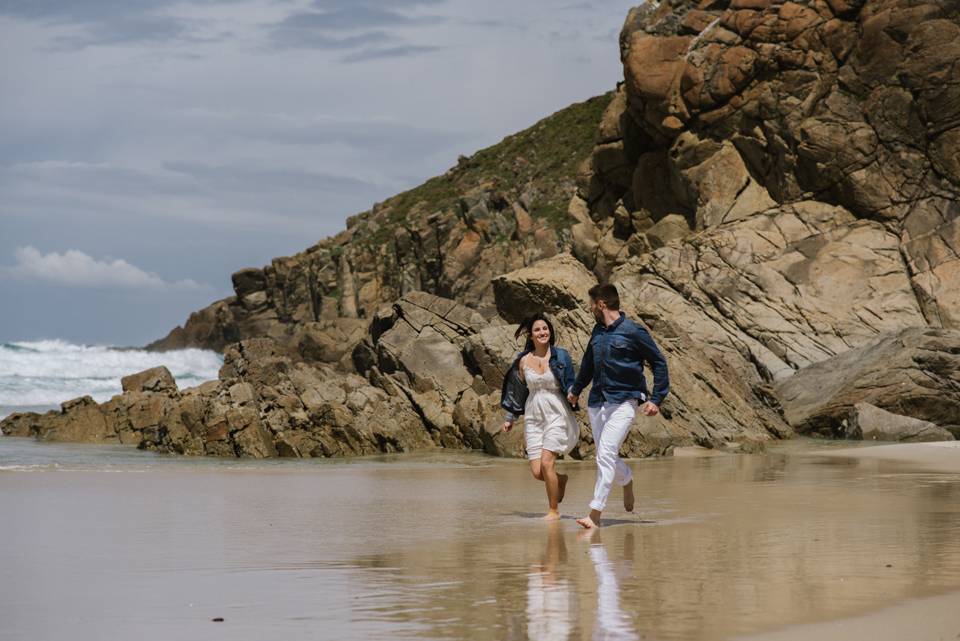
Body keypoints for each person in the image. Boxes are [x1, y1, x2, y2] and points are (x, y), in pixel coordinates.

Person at [566, 283, 669, 529]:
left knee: (605, 455)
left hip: (624, 402)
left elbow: (659, 363)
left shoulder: (634, 332)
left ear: (601, 304)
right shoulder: (597, 331)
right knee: (606, 457)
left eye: (591, 304)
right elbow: (588, 365)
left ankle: (595, 514)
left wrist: (656, 399)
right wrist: (576, 391)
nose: (590, 308)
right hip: (596, 403)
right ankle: (627, 479)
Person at [501, 313, 581, 521]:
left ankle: (553, 511)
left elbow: (571, 381)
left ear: (550, 332)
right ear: (531, 335)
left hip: (556, 412)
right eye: (537, 330)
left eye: (545, 328)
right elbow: (518, 392)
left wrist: (573, 393)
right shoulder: (523, 360)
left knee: (547, 465)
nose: (542, 332)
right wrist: (511, 417)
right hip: (533, 415)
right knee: (538, 472)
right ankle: (560, 480)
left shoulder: (561, 356)